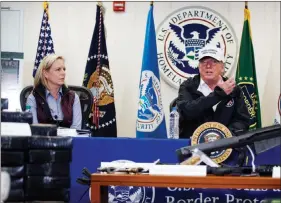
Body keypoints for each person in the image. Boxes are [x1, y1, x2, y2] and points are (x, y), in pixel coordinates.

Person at [176, 45, 250, 138]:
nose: (208, 66)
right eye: (203, 62)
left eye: (214, 62)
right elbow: (188, 111)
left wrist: (224, 135)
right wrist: (219, 94)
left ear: (222, 67)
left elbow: (242, 121)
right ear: (199, 67)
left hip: (226, 145)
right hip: (193, 146)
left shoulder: (234, 89)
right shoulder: (188, 86)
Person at [26, 54, 82, 130]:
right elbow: (34, 130)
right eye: (58, 69)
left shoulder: (73, 97)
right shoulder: (33, 98)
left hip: (68, 141)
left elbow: (76, 128)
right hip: (43, 141)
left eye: (64, 69)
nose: (63, 73)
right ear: (46, 73)